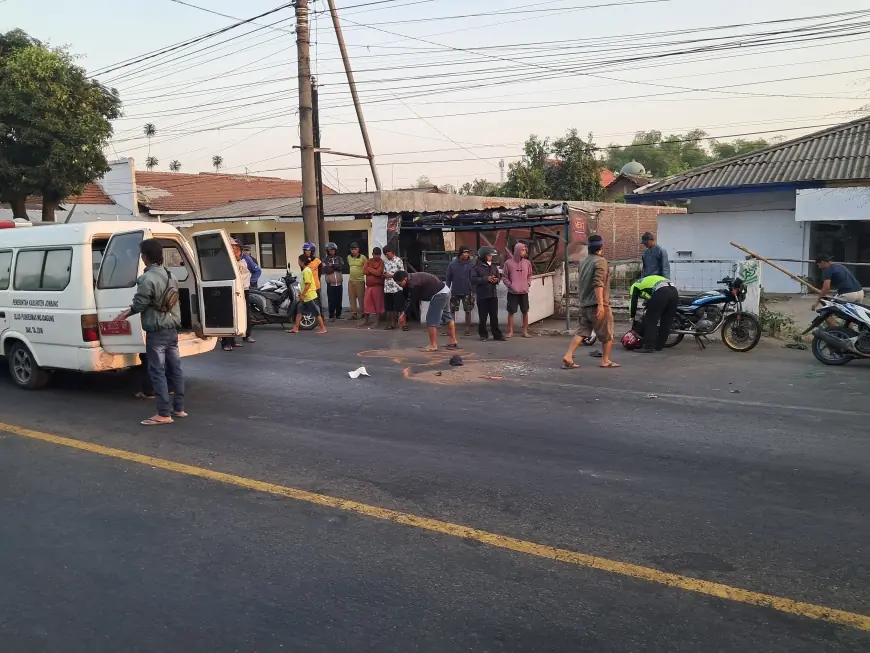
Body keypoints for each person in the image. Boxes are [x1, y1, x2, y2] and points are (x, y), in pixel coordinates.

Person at [114, 238, 186, 426]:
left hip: (157, 330)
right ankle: (179, 408)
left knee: (157, 371)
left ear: (145, 257)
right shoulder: (171, 276)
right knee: (175, 369)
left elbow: (140, 304)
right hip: (172, 329)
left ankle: (163, 413)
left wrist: (125, 314)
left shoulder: (147, 279)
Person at [562, 235, 618, 369]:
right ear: (601, 246)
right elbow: (598, 284)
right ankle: (605, 360)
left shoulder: (584, 261)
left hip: (584, 304)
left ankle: (568, 355)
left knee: (582, 331)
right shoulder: (601, 262)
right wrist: (600, 305)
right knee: (607, 334)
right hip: (597, 304)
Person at [394, 271, 460, 352]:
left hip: (439, 294)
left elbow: (413, 301)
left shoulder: (413, 284)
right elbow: (408, 297)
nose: (400, 286)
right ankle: (453, 341)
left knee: (431, 319)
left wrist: (403, 315)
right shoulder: (410, 278)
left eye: (400, 284)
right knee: (447, 316)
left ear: (405, 279)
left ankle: (433, 345)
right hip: (445, 290)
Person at [628, 274, 679, 353]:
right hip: (674, 291)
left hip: (662, 291)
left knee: (650, 319)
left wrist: (632, 315)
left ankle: (648, 346)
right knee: (666, 321)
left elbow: (633, 302)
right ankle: (659, 346)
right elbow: (652, 298)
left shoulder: (635, 286)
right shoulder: (647, 281)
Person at [814, 253, 865, 325]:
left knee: (825, 312)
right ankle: (848, 333)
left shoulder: (827, 270)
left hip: (848, 294)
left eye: (818, 264)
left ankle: (835, 334)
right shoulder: (840, 266)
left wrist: (817, 302)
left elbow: (826, 288)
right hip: (860, 292)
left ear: (822, 262)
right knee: (852, 315)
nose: (819, 267)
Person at [221, 240, 253, 351]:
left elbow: (255, 270)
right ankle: (226, 342)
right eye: (233, 249)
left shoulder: (244, 261)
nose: (236, 252)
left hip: (242, 290)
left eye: (237, 250)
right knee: (229, 316)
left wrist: (251, 282)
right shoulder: (227, 261)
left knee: (239, 315)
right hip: (230, 290)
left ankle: (233, 341)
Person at [287, 254, 327, 335]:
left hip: (310, 296)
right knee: (299, 311)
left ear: (302, 262)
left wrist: (303, 294)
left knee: (316, 312)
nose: (298, 262)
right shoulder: (304, 270)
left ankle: (323, 328)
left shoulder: (307, 271)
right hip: (305, 296)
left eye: (299, 261)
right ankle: (296, 327)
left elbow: (308, 284)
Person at [471, 246, 505, 342]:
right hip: (482, 295)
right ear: (483, 256)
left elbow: (498, 276)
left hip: (493, 295)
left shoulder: (493, 266)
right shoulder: (476, 267)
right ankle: (483, 335)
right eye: (489, 256)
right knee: (483, 317)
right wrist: (486, 279)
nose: (491, 257)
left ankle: (497, 335)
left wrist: (496, 280)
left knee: (494, 316)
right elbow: (473, 280)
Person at [503, 242, 534, 339]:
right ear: (517, 250)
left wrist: (527, 284)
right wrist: (511, 286)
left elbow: (530, 275)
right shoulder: (508, 263)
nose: (524, 252)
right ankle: (510, 331)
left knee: (525, 311)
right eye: (522, 250)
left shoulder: (527, 263)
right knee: (511, 312)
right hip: (512, 292)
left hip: (524, 292)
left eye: (525, 250)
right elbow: (504, 277)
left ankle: (525, 331)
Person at [446, 246, 476, 336]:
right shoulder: (452, 264)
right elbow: (448, 278)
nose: (466, 254)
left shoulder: (471, 264)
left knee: (468, 310)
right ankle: (451, 327)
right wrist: (446, 289)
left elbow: (474, 278)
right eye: (464, 253)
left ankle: (467, 328)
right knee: (452, 310)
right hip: (455, 290)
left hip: (468, 291)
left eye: (467, 253)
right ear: (460, 254)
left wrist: (474, 291)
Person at [360, 247, 385, 329]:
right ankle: (366, 320)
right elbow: (363, 271)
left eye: (379, 255)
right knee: (367, 303)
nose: (377, 256)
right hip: (369, 286)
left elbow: (379, 273)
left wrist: (370, 269)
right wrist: (374, 271)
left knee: (378, 304)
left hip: (378, 286)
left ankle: (377, 321)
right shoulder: (369, 261)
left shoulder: (381, 262)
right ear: (372, 254)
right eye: (376, 255)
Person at [382, 246, 405, 330]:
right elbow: (384, 272)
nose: (387, 256)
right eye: (385, 255)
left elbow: (402, 273)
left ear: (392, 252)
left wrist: (391, 275)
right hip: (387, 287)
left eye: (387, 254)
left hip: (397, 287)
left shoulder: (398, 260)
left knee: (400, 307)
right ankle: (392, 324)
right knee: (389, 307)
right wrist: (385, 275)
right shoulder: (385, 262)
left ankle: (403, 324)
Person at [322, 242, 345, 322]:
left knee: (339, 299)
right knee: (331, 300)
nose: (332, 251)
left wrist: (332, 266)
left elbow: (341, 267)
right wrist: (335, 267)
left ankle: (339, 314)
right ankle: (331, 315)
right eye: (330, 250)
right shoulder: (325, 259)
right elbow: (326, 270)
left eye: (333, 250)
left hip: (339, 283)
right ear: (327, 250)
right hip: (330, 284)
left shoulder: (339, 258)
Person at [347, 242, 367, 319]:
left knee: (361, 297)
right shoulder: (348, 257)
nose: (353, 251)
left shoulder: (363, 257)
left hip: (360, 281)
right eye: (352, 249)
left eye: (355, 249)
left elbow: (366, 267)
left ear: (358, 249)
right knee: (351, 297)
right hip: (351, 281)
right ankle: (354, 313)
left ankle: (363, 312)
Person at [302, 242, 322, 308]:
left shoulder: (318, 261)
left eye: (309, 250)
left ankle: (320, 317)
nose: (307, 252)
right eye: (305, 250)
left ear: (312, 251)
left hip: (315, 286)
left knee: (317, 305)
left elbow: (319, 274)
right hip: (306, 286)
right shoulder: (303, 262)